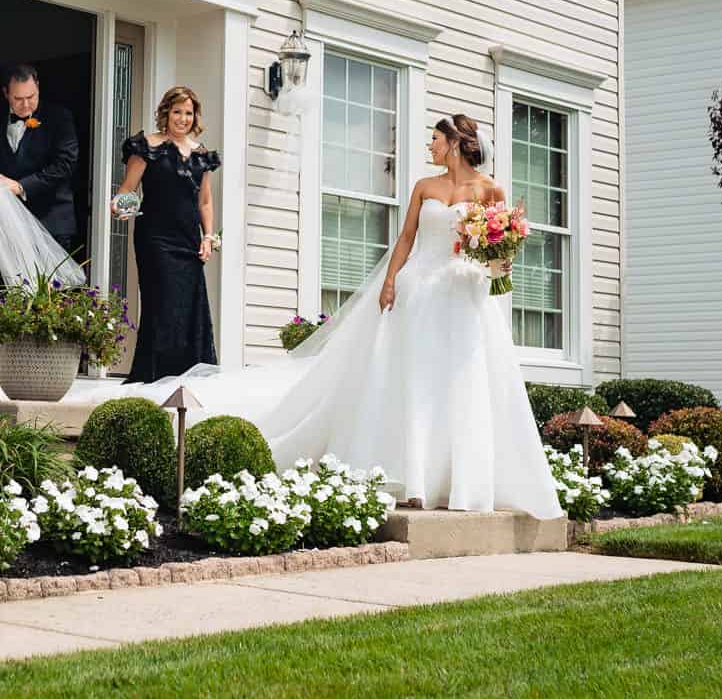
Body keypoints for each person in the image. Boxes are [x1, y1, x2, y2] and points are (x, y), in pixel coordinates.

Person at [137, 114, 562, 516]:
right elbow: (406, 237)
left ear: (453, 143)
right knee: (412, 379)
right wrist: (391, 281)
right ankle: (412, 477)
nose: (429, 145)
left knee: (457, 382)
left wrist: (498, 263)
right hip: (418, 290)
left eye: (434, 138)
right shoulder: (423, 187)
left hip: (462, 294)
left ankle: (459, 481)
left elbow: (502, 247)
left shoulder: (491, 191)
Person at [114, 85, 219, 383]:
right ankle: (155, 377)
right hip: (155, 239)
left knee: (190, 308)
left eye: (188, 113)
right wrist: (121, 206)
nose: (183, 119)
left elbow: (205, 201)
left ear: (194, 116)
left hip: (188, 241)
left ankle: (187, 379)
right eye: (177, 112)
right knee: (163, 305)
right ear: (166, 113)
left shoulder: (202, 156)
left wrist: (208, 237)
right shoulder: (148, 147)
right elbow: (127, 190)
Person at [0, 65, 81, 254]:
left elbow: (65, 165)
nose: (26, 105)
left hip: (51, 222)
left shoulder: (59, 118)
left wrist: (21, 186)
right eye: (18, 99)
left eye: (31, 97)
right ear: (6, 93)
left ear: (37, 86)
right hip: (7, 221)